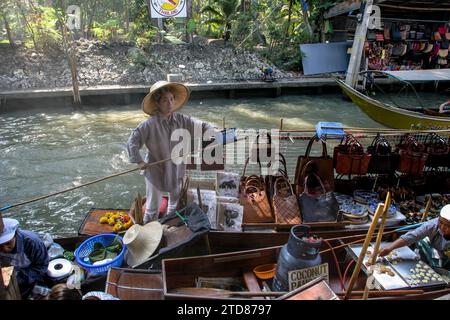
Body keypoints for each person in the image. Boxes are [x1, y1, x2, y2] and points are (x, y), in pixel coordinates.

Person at [127, 81, 216, 224]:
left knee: (174, 204)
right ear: (157, 103)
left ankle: (168, 227)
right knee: (152, 207)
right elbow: (132, 142)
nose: (169, 103)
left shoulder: (182, 119)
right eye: (164, 100)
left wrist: (214, 131)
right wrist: (139, 161)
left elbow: (203, 125)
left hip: (176, 169)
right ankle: (148, 233)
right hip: (155, 169)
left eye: (171, 99)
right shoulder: (149, 124)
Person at [379, 204, 450, 269]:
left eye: (447, 226)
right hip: (441, 252)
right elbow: (412, 236)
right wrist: (390, 247)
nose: (442, 227)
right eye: (441, 222)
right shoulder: (433, 225)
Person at [0, 218, 49, 299]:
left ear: (15, 235)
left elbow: (42, 267)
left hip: (27, 272)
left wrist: (19, 278)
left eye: (8, 243)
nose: (5, 249)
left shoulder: (32, 242)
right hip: (8, 271)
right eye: (0, 246)